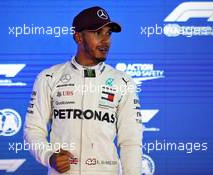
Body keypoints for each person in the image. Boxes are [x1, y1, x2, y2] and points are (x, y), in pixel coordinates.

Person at [24, 6, 143, 175]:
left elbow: (130, 141)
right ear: (78, 37)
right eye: (97, 33)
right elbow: (33, 129)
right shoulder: (49, 77)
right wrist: (49, 156)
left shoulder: (123, 82)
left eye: (108, 33)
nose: (105, 40)